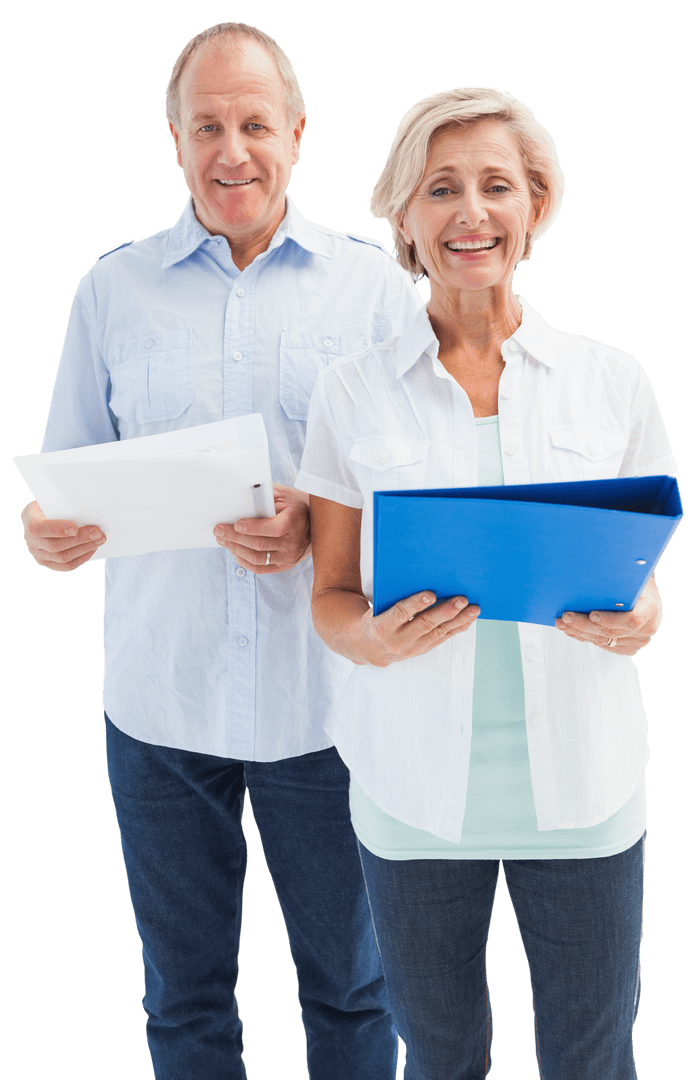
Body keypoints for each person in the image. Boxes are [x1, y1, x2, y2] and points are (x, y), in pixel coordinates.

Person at [20, 19, 422, 1080]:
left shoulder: (373, 288)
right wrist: (46, 532)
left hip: (324, 704)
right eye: (207, 125)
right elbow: (64, 473)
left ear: (296, 132)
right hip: (160, 705)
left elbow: (418, 496)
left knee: (351, 993)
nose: (230, 149)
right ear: (173, 138)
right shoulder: (113, 289)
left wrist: (318, 526)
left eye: (253, 123)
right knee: (183, 1000)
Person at [296, 85, 676, 1080]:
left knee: (594, 1062)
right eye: (441, 188)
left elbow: (643, 584)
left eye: (496, 186)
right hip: (412, 795)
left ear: (534, 207)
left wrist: (639, 615)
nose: (471, 212)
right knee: (439, 1059)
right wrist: (372, 639)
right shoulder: (351, 391)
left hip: (582, 792)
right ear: (405, 220)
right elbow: (331, 593)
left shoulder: (611, 380)